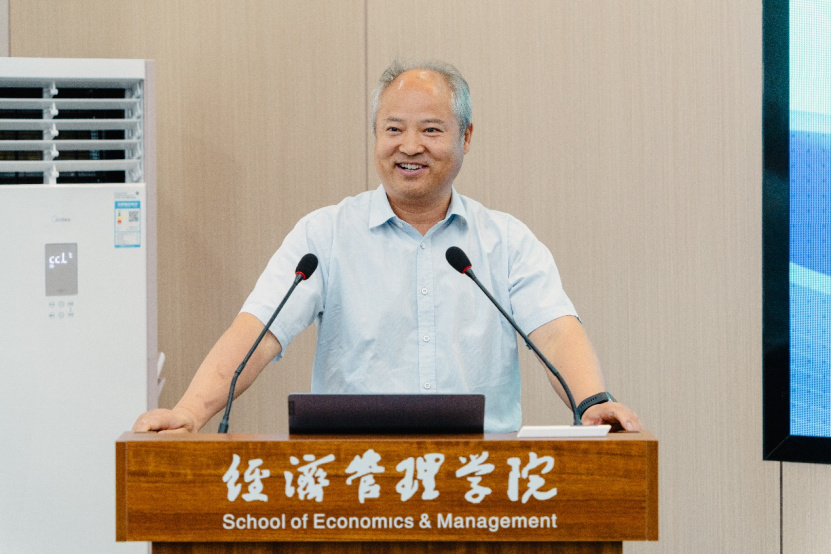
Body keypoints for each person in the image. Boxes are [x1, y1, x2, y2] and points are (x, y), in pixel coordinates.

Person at [133, 60, 642, 434]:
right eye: (393, 129)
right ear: (375, 135)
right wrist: (190, 411)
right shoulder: (325, 235)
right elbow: (258, 331)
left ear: (466, 137)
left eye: (431, 130)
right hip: (353, 475)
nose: (410, 146)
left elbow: (554, 332)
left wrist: (591, 402)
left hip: (479, 481)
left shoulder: (506, 242)